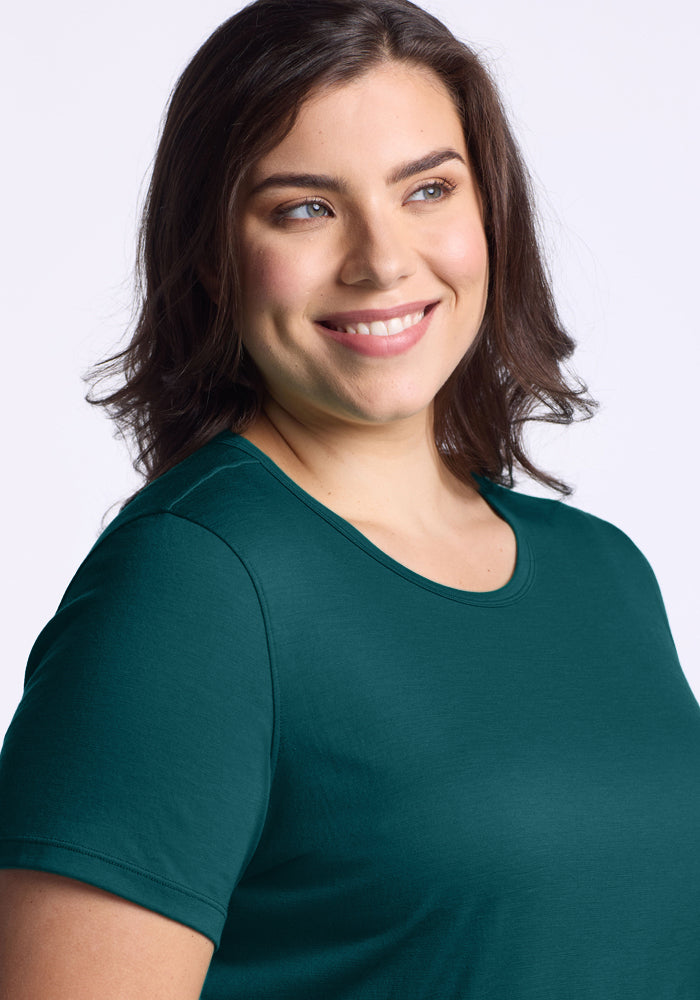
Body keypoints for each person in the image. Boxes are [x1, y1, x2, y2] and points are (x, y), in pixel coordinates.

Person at [0, 0, 698, 996]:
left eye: (426, 190)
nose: (380, 259)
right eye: (305, 207)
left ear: (487, 212)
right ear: (211, 252)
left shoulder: (603, 572)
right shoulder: (194, 584)